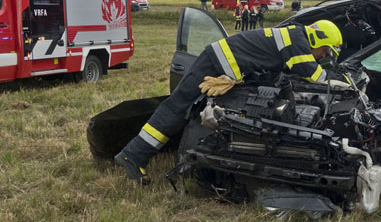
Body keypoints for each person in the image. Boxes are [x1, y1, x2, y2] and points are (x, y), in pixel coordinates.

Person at [114, 20, 343, 184]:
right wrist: (343, 81)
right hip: (214, 62)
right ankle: (132, 155)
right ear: (318, 38)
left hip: (220, 62)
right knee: (177, 107)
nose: (323, 56)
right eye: (325, 51)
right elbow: (313, 74)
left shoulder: (296, 35)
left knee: (181, 108)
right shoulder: (297, 41)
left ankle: (136, 154)